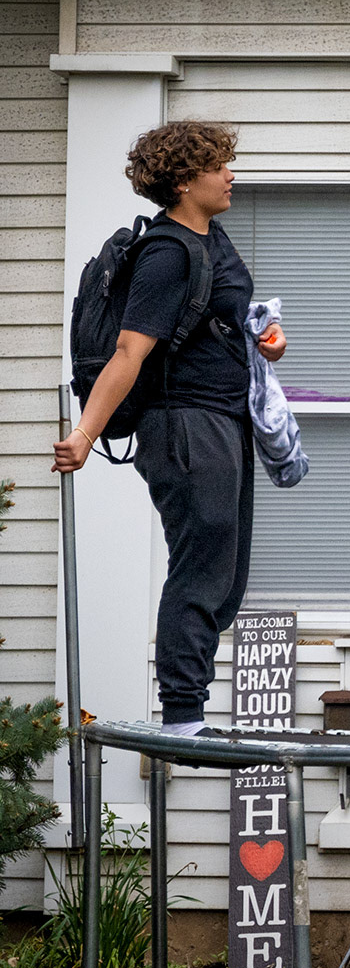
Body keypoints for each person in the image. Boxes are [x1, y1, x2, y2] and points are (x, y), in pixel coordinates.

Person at [52, 122, 283, 736]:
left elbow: (226, 321)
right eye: (219, 166)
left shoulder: (211, 237)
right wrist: (84, 434)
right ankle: (183, 712)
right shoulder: (168, 253)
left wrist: (267, 342)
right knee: (202, 559)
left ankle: (189, 700)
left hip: (223, 419)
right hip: (182, 423)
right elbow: (130, 351)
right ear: (184, 182)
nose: (231, 174)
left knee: (225, 572)